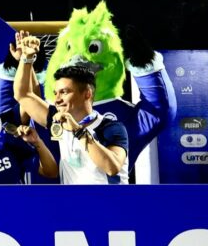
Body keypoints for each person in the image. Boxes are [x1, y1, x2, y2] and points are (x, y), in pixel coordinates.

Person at [14, 35, 129, 184]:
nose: (57, 99)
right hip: (72, 205)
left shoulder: (111, 127)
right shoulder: (58, 119)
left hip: (108, 204)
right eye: (56, 93)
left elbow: (112, 167)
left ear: (87, 94)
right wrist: (27, 58)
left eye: (64, 92)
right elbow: (23, 94)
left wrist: (78, 130)